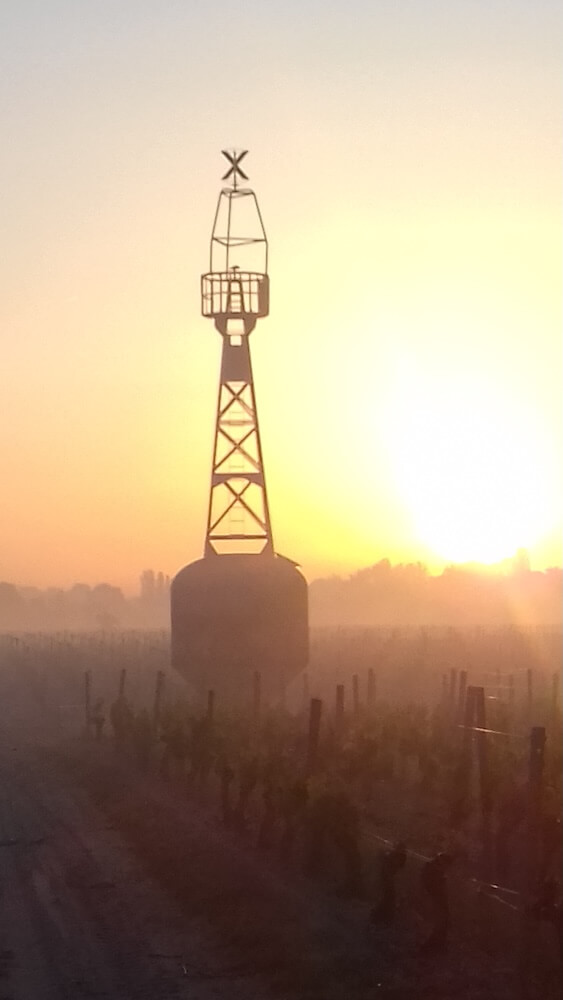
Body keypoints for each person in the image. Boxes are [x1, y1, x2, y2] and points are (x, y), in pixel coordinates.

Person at [420, 851, 455, 953]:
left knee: (443, 923)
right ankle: (430, 947)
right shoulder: (433, 870)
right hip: (436, 900)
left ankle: (438, 945)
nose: (447, 869)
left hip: (438, 900)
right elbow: (434, 887)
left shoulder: (433, 868)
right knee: (440, 924)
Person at [370, 841, 407, 925]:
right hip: (386, 877)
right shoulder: (392, 855)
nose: (401, 851)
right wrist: (389, 878)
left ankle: (382, 915)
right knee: (388, 896)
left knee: (389, 897)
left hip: (389, 878)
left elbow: (399, 867)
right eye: (399, 849)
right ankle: (379, 915)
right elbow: (386, 867)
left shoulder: (400, 856)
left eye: (402, 849)